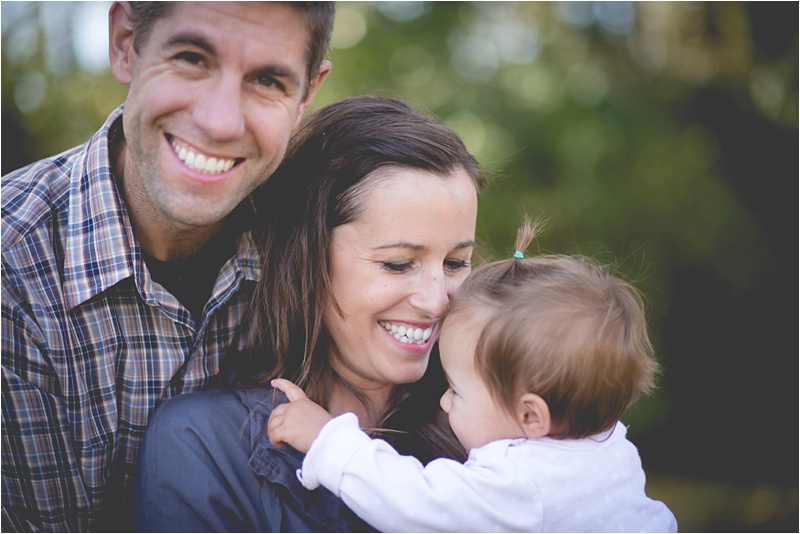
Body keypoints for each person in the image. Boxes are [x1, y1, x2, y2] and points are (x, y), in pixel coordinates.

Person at [1, 2, 333, 531]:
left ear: (306, 96)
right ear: (126, 43)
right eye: (192, 58)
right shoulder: (12, 270)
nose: (219, 121)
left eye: (268, 80)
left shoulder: (317, 247)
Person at [132, 95, 486, 531]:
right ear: (308, 257)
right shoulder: (204, 444)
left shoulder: (498, 423)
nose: (436, 302)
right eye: (398, 264)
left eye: (455, 263)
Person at [267, 220, 679, 533]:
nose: (444, 401)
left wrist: (328, 440)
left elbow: (411, 502)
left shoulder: (519, 484)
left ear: (531, 416)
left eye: (457, 390)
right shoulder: (609, 446)